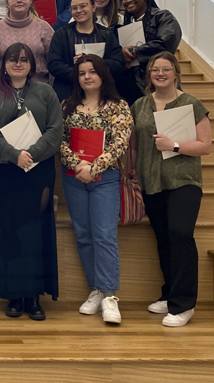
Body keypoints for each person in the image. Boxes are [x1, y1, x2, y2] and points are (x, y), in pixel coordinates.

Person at [0, 43, 62, 321]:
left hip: (38, 171)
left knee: (37, 229)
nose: (18, 64)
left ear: (31, 64)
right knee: (10, 229)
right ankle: (13, 295)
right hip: (5, 170)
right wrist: (14, 156)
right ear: (3, 64)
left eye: (24, 60)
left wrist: (32, 155)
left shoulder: (46, 92)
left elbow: (55, 131)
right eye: (12, 60)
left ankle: (35, 296)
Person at [132, 52, 211, 327]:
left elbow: (205, 145)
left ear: (176, 73)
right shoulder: (140, 105)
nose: (161, 73)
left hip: (183, 182)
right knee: (164, 239)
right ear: (149, 74)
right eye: (156, 69)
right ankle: (169, 293)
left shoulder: (191, 104)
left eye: (166, 69)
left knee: (180, 235)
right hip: (151, 182)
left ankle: (184, 304)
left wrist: (174, 146)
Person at [60, 54, 132, 325]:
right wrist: (78, 164)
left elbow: (120, 142)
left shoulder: (118, 106)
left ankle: (110, 296)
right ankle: (96, 290)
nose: (87, 77)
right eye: (82, 73)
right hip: (73, 177)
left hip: (105, 178)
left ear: (103, 75)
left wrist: (95, 166)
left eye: (92, 72)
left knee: (104, 235)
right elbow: (60, 140)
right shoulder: (68, 105)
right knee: (84, 236)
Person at [48, 0, 123, 101]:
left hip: (102, 94)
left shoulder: (107, 34)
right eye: (74, 8)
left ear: (93, 7)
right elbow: (53, 64)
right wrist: (80, 73)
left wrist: (94, 63)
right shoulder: (61, 34)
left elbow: (118, 64)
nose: (79, 11)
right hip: (68, 93)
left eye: (83, 6)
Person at [117, 0, 182, 105]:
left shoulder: (163, 17)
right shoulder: (125, 24)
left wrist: (133, 51)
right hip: (133, 83)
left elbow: (165, 45)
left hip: (159, 80)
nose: (128, 0)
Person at [0, 0, 54, 83]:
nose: (19, 0)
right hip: (3, 89)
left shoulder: (44, 27)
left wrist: (50, 91)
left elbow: (53, 62)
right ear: (7, 3)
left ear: (30, 1)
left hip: (39, 88)